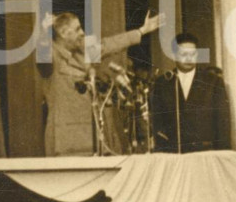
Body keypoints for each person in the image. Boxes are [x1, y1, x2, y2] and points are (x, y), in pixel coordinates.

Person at [39, 9, 165, 157]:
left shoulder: (83, 51)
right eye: (78, 29)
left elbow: (109, 44)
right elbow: (42, 54)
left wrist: (141, 31)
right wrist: (43, 33)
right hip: (66, 142)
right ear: (63, 33)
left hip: (92, 138)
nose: (82, 33)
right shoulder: (52, 57)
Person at [150, 33, 231, 154]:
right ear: (174, 55)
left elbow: (222, 123)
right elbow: (157, 121)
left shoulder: (213, 82)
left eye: (192, 54)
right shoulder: (163, 83)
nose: (189, 58)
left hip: (205, 154)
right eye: (183, 54)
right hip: (173, 154)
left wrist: (223, 155)